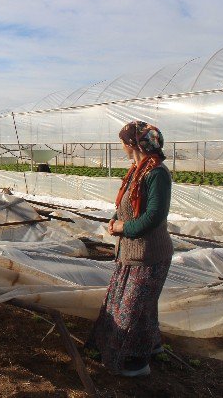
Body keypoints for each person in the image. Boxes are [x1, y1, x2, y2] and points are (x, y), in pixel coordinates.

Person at [86, 121, 173, 377]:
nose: (121, 146)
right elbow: (127, 203)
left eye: (122, 142)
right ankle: (153, 346)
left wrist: (124, 228)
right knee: (134, 306)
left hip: (149, 256)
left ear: (131, 144)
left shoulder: (157, 173)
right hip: (130, 254)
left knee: (132, 312)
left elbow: (154, 216)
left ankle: (136, 362)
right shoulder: (138, 170)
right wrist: (115, 219)